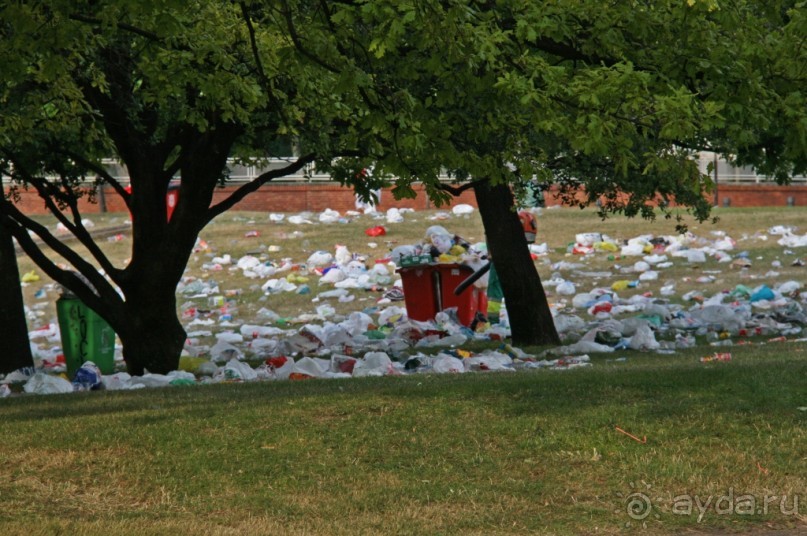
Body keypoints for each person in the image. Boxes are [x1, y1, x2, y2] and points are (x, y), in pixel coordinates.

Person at [486, 210, 537, 325]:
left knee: (495, 293)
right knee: (498, 292)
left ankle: (493, 321)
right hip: (502, 259)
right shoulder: (502, 231)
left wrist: (491, 253)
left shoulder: (503, 229)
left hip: (501, 260)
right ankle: (495, 321)